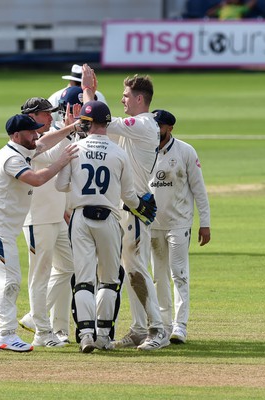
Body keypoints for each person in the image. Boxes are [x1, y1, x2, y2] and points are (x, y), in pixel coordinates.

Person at [0, 113, 79, 352]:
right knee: (10, 281)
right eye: (31, 132)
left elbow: (45, 142)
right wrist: (60, 162)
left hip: (2, 229)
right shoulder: (11, 158)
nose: (36, 135)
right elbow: (37, 179)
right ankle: (6, 334)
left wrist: (71, 127)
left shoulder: (22, 149)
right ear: (16, 135)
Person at [55, 100, 157, 353]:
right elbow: (130, 196)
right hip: (109, 218)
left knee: (83, 280)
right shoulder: (119, 153)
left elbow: (61, 186)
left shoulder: (75, 148)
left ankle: (86, 334)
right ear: (108, 123)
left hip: (80, 218)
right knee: (110, 280)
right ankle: (102, 335)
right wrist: (141, 207)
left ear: (86, 123)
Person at [81, 64, 169, 351]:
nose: (123, 99)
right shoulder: (136, 128)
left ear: (140, 99)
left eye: (126, 95)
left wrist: (88, 91)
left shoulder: (143, 124)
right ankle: (139, 328)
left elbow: (99, 120)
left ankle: (158, 330)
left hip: (134, 208)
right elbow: (99, 127)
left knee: (136, 270)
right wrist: (90, 94)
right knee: (128, 270)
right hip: (124, 207)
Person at [18, 97, 76, 348]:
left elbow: (54, 148)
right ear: (32, 116)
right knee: (40, 275)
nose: (50, 117)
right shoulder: (22, 141)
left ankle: (35, 316)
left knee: (69, 266)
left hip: (55, 216)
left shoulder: (46, 134)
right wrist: (69, 129)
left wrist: (69, 129)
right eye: (45, 114)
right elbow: (50, 153)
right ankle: (42, 332)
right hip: (37, 219)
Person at [149, 110, 211, 344]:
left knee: (179, 274)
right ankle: (163, 325)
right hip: (153, 224)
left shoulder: (185, 151)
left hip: (179, 223)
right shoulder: (144, 150)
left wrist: (205, 223)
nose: (156, 131)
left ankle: (180, 326)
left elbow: (199, 190)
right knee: (158, 276)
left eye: (160, 126)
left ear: (170, 128)